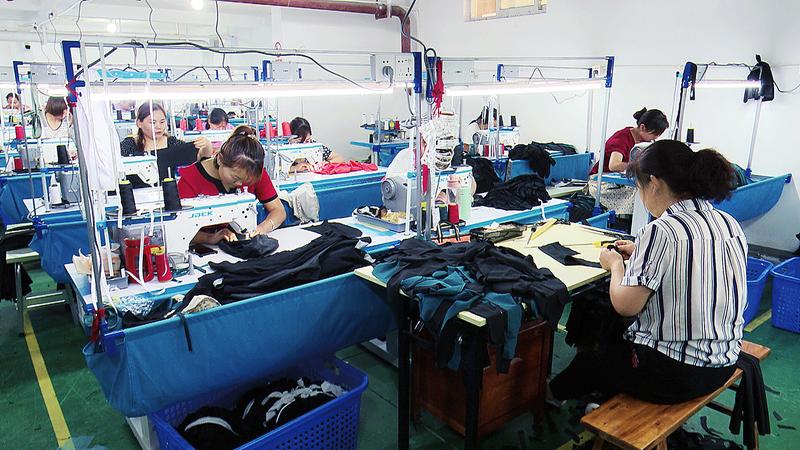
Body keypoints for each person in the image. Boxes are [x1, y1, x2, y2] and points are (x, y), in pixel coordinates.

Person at [549, 140, 745, 405]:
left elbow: (626, 305)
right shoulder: (728, 223)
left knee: (595, 355)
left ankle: (551, 396)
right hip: (725, 360)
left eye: (639, 188)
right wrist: (641, 251)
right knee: (612, 338)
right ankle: (602, 396)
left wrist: (615, 264)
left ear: (654, 183)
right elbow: (692, 260)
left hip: (679, 373)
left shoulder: (662, 230)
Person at [178, 125, 286, 244]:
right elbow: (178, 227)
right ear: (220, 160)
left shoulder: (253, 173)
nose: (240, 184)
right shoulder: (190, 179)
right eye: (236, 178)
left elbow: (278, 211)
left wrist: (261, 229)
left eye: (246, 181)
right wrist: (209, 238)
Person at [588, 108, 669, 218]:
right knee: (641, 193)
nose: (655, 138)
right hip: (600, 181)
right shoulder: (622, 138)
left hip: (619, 181)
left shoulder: (643, 141)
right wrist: (638, 165)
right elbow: (614, 165)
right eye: (655, 134)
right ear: (642, 127)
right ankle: (633, 222)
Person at [120, 102, 213, 183]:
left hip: (169, 192)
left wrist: (207, 145)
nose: (158, 126)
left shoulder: (172, 143)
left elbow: (202, 157)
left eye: (162, 122)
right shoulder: (128, 145)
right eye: (153, 122)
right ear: (139, 123)